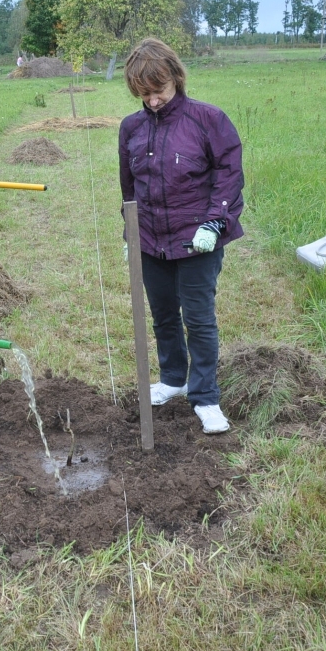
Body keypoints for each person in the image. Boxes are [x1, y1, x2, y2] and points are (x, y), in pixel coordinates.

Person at [118, 38, 244, 435]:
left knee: (199, 319)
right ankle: (173, 378)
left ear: (175, 77)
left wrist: (213, 223)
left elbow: (229, 176)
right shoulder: (131, 128)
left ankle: (205, 397)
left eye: (159, 91)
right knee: (164, 316)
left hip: (197, 241)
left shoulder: (208, 121)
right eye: (144, 94)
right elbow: (129, 188)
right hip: (150, 241)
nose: (153, 101)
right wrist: (129, 233)